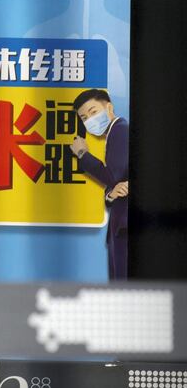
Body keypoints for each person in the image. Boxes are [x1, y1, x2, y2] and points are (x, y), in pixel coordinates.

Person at [70, 89, 129, 280]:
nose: (89, 120)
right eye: (84, 117)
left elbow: (114, 176)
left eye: (93, 112)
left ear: (109, 107)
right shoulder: (113, 133)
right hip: (119, 229)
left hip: (124, 229)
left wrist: (82, 155)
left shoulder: (120, 130)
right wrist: (110, 195)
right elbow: (117, 185)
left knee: (124, 290)